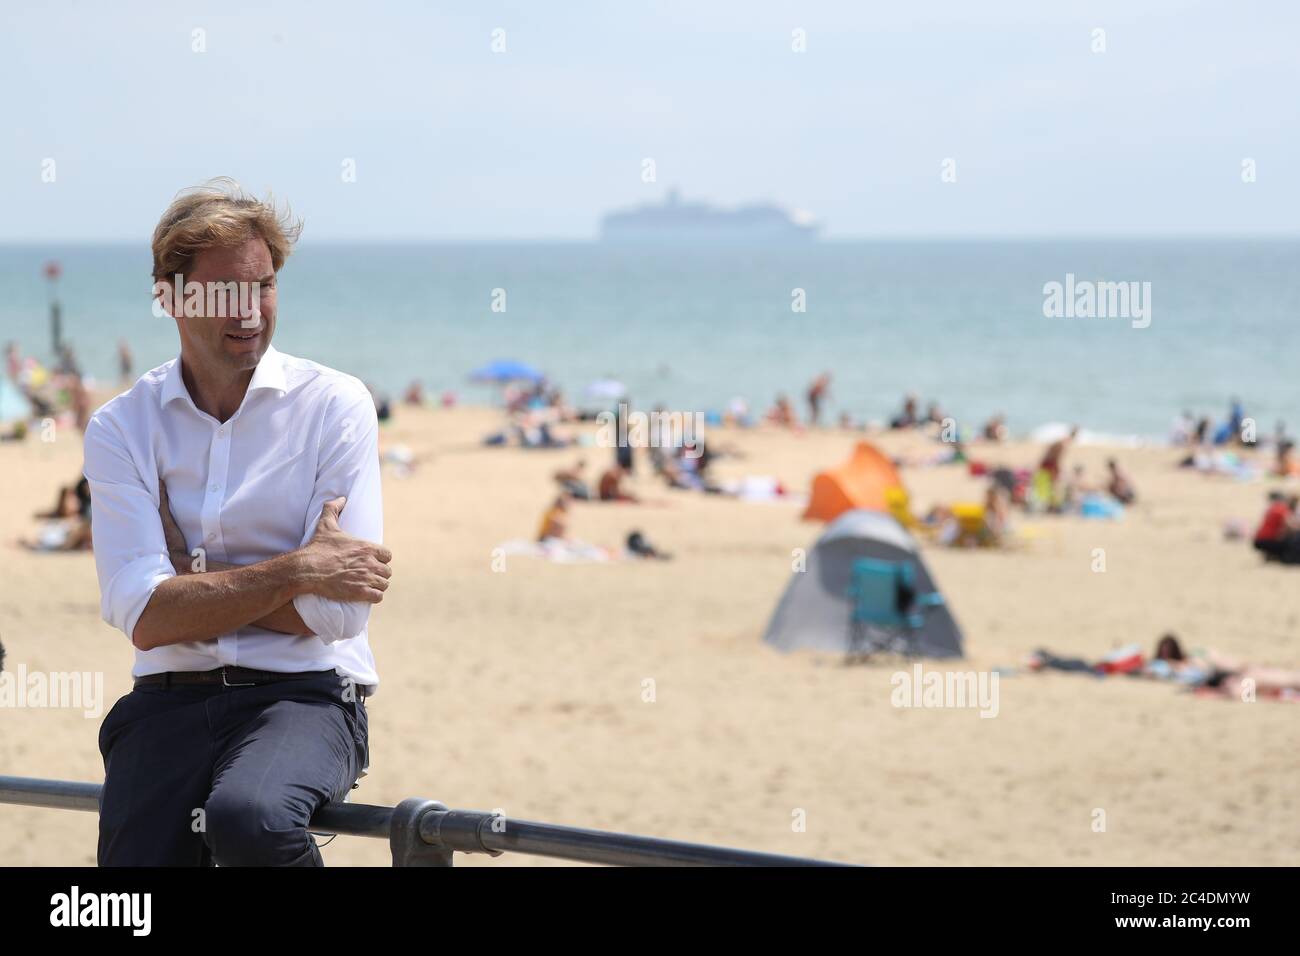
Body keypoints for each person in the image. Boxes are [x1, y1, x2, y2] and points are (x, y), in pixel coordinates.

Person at [83, 179, 392, 867]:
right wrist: (296, 570)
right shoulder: (121, 426)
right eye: (225, 290)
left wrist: (189, 584)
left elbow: (339, 620)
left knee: (250, 817)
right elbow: (142, 615)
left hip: (305, 699)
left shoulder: (335, 406)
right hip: (164, 700)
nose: (250, 310)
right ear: (169, 296)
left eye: (265, 285)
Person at [1252, 493, 1298, 562]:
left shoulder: (1276, 508)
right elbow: (1291, 526)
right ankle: (1277, 556)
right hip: (1266, 541)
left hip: (1259, 539)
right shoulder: (1283, 510)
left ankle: (1272, 554)